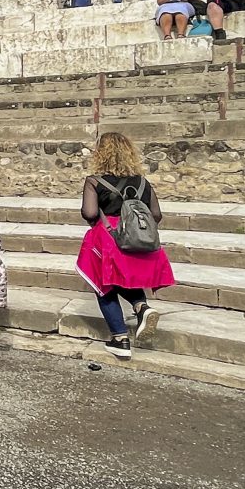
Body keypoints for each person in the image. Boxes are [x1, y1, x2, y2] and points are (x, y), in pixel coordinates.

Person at [77, 131, 174, 360]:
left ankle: (120, 339)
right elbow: (156, 214)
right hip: (137, 236)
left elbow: (89, 213)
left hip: (109, 237)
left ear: (102, 154)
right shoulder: (142, 182)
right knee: (126, 279)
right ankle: (141, 306)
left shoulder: (94, 181)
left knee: (105, 285)